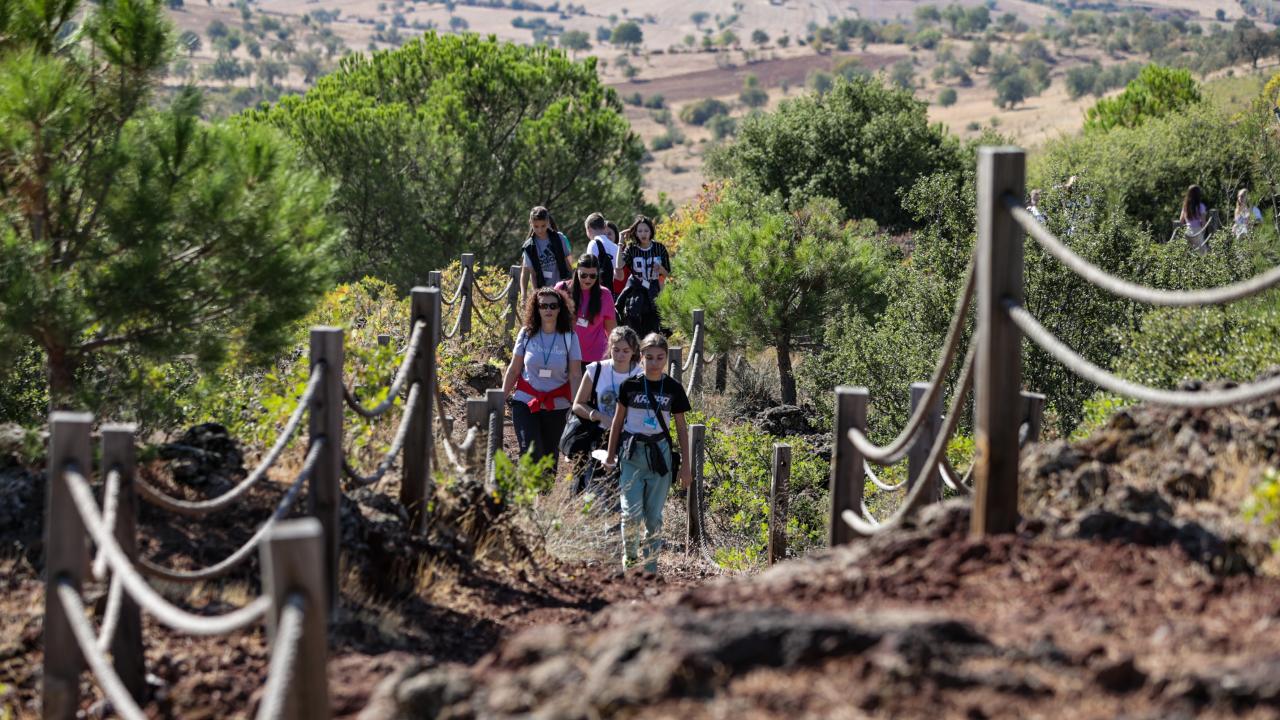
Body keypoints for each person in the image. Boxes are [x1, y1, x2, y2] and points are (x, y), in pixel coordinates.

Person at [604, 333, 692, 574]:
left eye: (660, 357)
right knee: (630, 514)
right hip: (632, 454)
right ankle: (630, 561)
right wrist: (611, 456)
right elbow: (618, 420)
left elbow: (682, 428)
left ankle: (650, 570)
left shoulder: (673, 388)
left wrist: (686, 466)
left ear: (666, 359)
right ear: (640, 357)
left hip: (660, 456)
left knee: (653, 518)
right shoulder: (630, 386)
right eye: (649, 357)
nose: (654, 362)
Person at [502, 286, 583, 474]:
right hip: (526, 401)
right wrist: (500, 397)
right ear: (536, 308)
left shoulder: (570, 337)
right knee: (530, 452)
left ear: (560, 309)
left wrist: (577, 406)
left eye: (553, 306)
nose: (548, 310)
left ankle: (545, 500)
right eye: (543, 305)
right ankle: (527, 499)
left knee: (549, 459)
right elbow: (514, 369)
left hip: (558, 405)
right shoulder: (526, 333)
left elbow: (575, 374)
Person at [569, 326, 640, 496]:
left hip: (628, 437)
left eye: (625, 351)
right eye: (616, 350)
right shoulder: (596, 369)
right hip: (598, 434)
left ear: (634, 351)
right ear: (610, 348)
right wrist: (598, 416)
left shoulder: (640, 374)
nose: (620, 355)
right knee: (592, 484)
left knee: (622, 486)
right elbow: (577, 404)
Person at [554, 254, 616, 366]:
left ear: (598, 275)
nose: (588, 279)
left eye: (592, 276)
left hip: (596, 358)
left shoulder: (605, 294)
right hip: (565, 354)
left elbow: (611, 330)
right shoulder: (561, 289)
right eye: (583, 275)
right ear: (576, 271)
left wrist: (614, 355)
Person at [520, 206, 573, 297]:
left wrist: (573, 282)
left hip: (563, 288)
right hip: (544, 291)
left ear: (548, 222)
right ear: (530, 223)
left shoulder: (559, 238)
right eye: (536, 226)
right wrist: (536, 294)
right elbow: (533, 274)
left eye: (543, 226)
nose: (540, 230)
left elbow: (567, 262)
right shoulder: (528, 247)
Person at [616, 215, 670, 295]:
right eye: (640, 231)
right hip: (636, 293)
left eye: (646, 231)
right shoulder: (631, 248)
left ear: (651, 231)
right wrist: (620, 243)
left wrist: (661, 269)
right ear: (636, 233)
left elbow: (667, 274)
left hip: (655, 292)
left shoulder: (659, 248)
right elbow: (619, 265)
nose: (643, 234)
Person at [582, 212, 618, 294]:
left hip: (597, 290)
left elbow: (589, 267)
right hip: (611, 290)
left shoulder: (593, 243)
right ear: (604, 227)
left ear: (589, 229)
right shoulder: (615, 247)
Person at [605, 220, 624, 295]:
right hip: (609, 293)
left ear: (616, 235)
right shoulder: (598, 252)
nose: (606, 237)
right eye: (603, 235)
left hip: (625, 293)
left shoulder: (624, 251)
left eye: (609, 234)